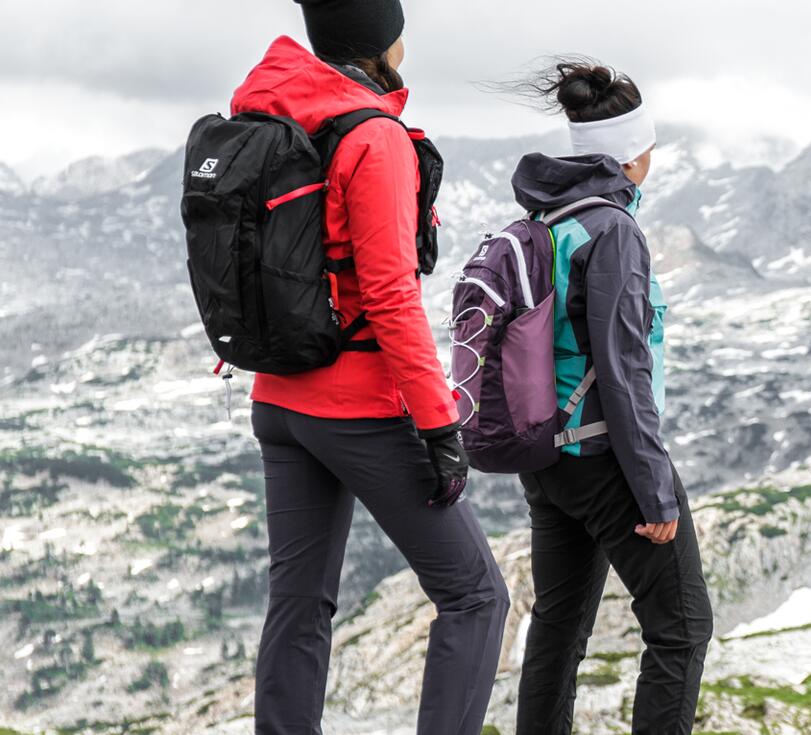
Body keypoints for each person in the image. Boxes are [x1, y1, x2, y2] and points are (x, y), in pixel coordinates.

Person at [233, 1, 507, 733]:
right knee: (476, 595)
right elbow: (389, 294)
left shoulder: (274, 116)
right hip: (356, 408)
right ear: (384, 41)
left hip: (279, 399)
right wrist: (437, 420)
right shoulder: (372, 136)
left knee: (298, 600)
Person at [503, 59, 712, 735]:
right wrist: (653, 488)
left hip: (546, 455)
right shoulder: (613, 230)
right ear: (632, 153)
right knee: (682, 628)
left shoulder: (546, 217)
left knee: (558, 627)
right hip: (605, 457)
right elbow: (623, 367)